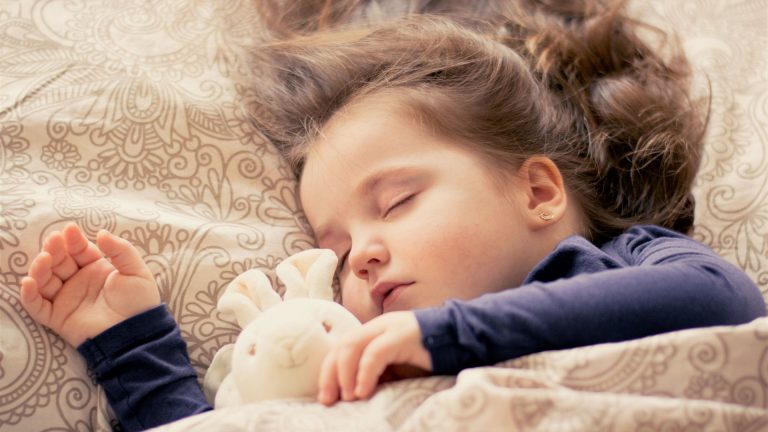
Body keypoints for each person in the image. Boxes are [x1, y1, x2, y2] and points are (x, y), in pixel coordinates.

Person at [19, 0, 767, 430]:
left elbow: (723, 301)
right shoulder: (347, 364)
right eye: (339, 253)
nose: (364, 257)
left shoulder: (625, 264)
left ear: (538, 192)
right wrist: (133, 346)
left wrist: (447, 336)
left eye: (398, 202)